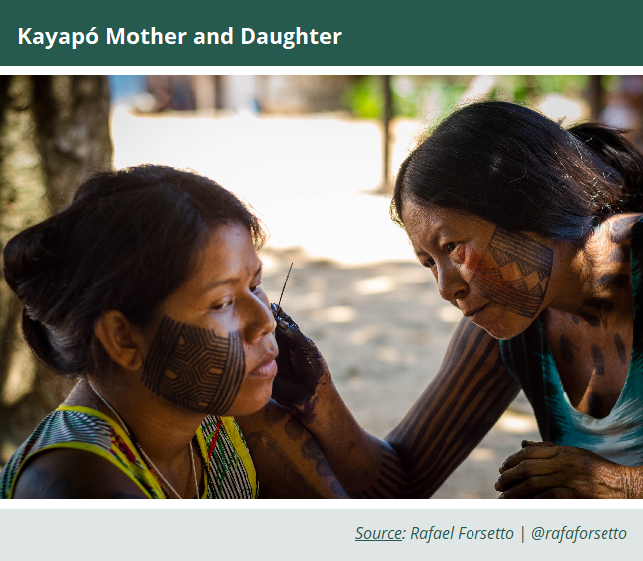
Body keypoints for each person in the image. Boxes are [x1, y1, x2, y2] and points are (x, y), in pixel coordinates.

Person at [272, 100, 643, 498]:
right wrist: (315, 394)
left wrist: (621, 484)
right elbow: (402, 480)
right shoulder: (512, 318)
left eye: (454, 247)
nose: (446, 289)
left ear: (534, 206)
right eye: (429, 262)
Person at [0, 165, 345, 499]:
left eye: (255, 285)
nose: (265, 321)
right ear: (123, 338)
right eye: (222, 302)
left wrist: (322, 401)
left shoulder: (220, 417)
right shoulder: (78, 486)